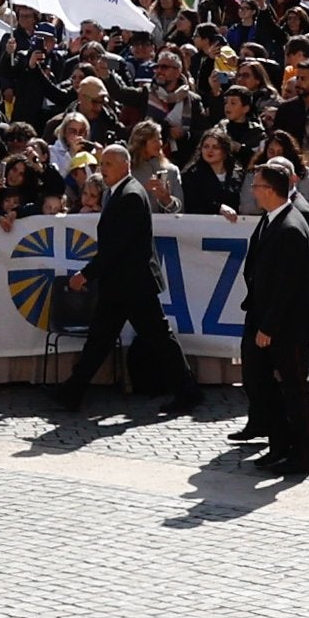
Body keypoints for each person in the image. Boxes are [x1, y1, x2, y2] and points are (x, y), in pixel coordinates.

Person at [51, 142, 198, 416]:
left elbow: (116, 247)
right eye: (102, 164)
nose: (102, 169)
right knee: (100, 338)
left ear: (124, 165)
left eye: (107, 164)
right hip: (121, 284)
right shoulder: (116, 193)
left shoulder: (130, 195)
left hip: (134, 284)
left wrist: (86, 275)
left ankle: (188, 391)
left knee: (157, 338)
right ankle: (72, 392)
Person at [238, 157, 309, 477]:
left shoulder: (290, 227)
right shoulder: (271, 219)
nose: (253, 191)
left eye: (257, 186)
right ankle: (280, 446)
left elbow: (288, 286)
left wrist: (268, 326)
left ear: (270, 190)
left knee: (296, 391)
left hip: (286, 327)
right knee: (266, 386)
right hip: (265, 319)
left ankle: (303, 456)